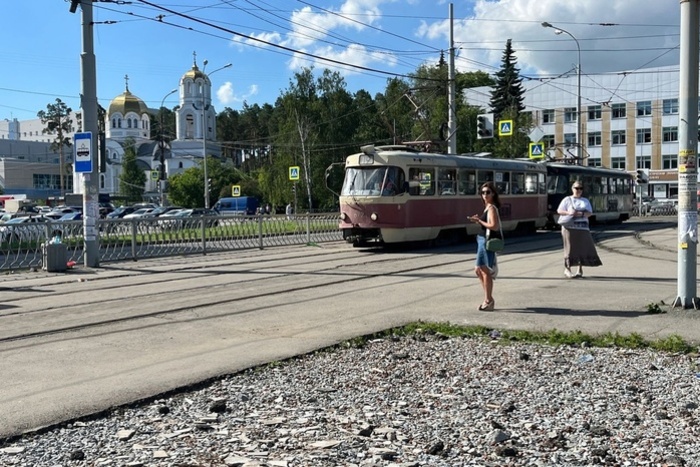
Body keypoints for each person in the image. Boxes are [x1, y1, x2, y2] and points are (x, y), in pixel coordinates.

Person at [556, 181, 602, 278]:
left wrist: (581, 214)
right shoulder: (567, 199)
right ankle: (567, 269)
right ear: (572, 189)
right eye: (577, 188)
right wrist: (569, 213)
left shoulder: (585, 200)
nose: (579, 190)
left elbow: (590, 213)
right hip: (569, 227)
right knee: (570, 248)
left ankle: (579, 269)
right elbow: (559, 210)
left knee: (581, 248)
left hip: (583, 228)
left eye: (581, 188)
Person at [469, 182, 501, 311]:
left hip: (487, 241)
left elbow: (494, 226)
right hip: (481, 240)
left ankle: (488, 301)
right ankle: (489, 298)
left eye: (488, 192)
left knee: (485, 270)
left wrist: (479, 221)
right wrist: (479, 220)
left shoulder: (492, 208)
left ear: (493, 194)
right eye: (483, 192)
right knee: (478, 270)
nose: (485, 195)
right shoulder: (487, 207)